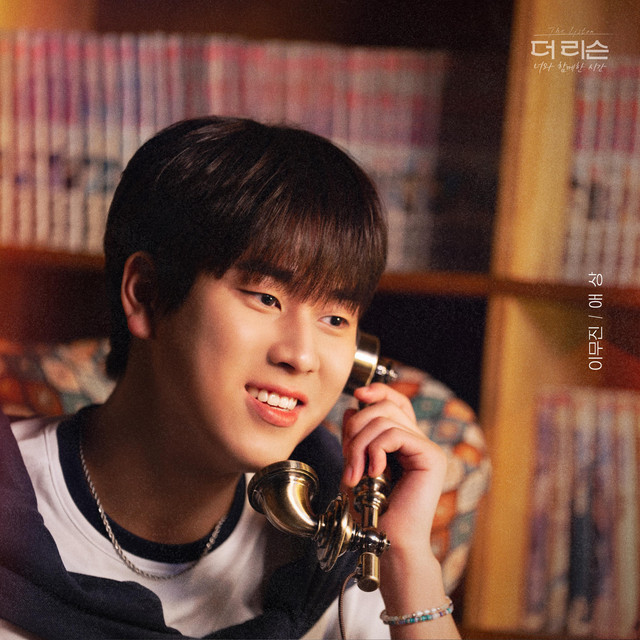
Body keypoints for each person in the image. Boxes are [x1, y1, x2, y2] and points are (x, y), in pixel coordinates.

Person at [0, 116, 460, 639]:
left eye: (335, 319)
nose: (302, 356)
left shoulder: (331, 549)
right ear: (146, 294)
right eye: (266, 297)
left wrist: (408, 559)